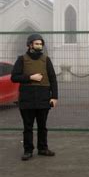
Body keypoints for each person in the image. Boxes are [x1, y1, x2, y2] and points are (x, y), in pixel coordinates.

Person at [11, 33, 58, 161]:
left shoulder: (46, 60)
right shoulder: (21, 59)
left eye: (41, 44)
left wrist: (54, 97)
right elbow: (14, 77)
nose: (39, 46)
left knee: (42, 126)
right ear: (30, 45)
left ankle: (43, 148)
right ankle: (28, 150)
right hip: (27, 99)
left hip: (43, 98)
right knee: (28, 127)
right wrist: (30, 77)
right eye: (36, 43)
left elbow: (53, 79)